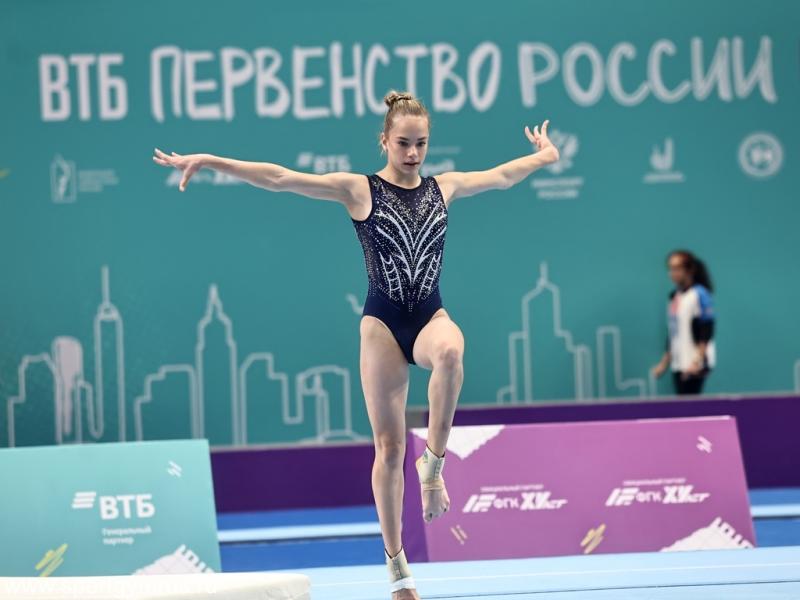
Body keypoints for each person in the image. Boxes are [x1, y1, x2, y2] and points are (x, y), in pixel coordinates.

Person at [153, 90, 559, 599]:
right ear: (384, 140)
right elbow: (279, 177)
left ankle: (433, 466)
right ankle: (397, 569)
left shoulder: (444, 187)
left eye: (421, 144)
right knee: (389, 448)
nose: (413, 153)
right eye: (403, 143)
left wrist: (545, 156)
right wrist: (212, 160)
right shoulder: (359, 189)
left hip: (428, 316)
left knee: (452, 352)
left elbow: (501, 175)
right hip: (382, 327)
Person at [651, 250, 716, 395]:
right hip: (678, 363)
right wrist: (664, 363)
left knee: (691, 403)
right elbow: (673, 332)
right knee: (681, 402)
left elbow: (707, 328)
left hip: (695, 364)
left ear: (689, 270)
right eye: (670, 269)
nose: (673, 273)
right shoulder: (674, 296)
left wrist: (697, 360)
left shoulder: (699, 294)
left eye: (677, 268)